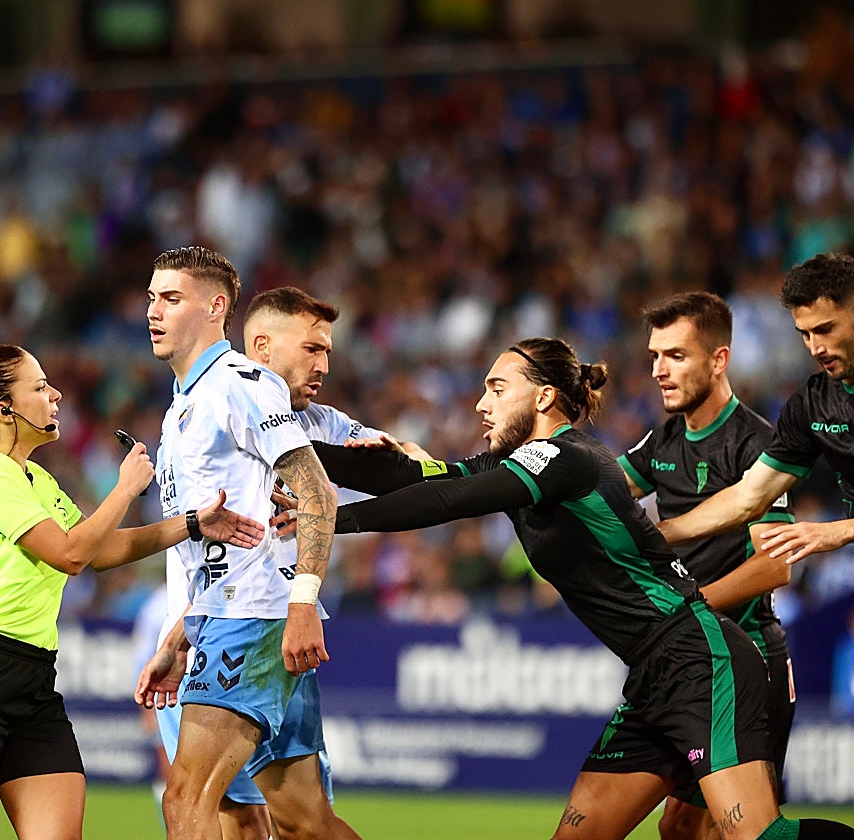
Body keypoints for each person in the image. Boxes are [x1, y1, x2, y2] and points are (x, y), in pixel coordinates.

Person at [290, 337, 854, 840]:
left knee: (758, 836)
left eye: (497, 388)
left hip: (700, 659)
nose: (481, 404)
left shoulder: (567, 457)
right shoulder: (514, 466)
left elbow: (448, 501)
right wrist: (291, 455)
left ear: (542, 399)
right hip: (654, 674)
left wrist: (334, 519)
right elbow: (416, 478)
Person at [0, 343, 264, 840]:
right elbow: (71, 554)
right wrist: (124, 489)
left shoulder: (34, 477)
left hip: (32, 684)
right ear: (3, 410)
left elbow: (100, 550)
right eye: (39, 387)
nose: (55, 395)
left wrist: (193, 524)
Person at [135, 247, 361, 840]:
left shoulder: (241, 386)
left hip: (251, 619)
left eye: (171, 298)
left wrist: (303, 605)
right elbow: (228, 544)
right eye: (152, 297)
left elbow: (316, 493)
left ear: (216, 307)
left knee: (187, 800)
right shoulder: (184, 404)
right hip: (228, 613)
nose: (153, 311)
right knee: (303, 824)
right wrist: (181, 632)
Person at [619, 292, 795, 840]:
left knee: (724, 830)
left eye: (675, 355)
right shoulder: (664, 439)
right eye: (654, 356)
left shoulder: (757, 444)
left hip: (748, 658)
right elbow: (604, 494)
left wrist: (688, 609)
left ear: (719, 360)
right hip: (689, 660)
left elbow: (775, 566)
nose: (658, 371)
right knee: (679, 827)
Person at [660, 253, 854, 571]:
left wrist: (841, 530)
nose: (815, 348)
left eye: (825, 329)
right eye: (805, 334)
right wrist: (655, 534)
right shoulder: (812, 403)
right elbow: (748, 497)